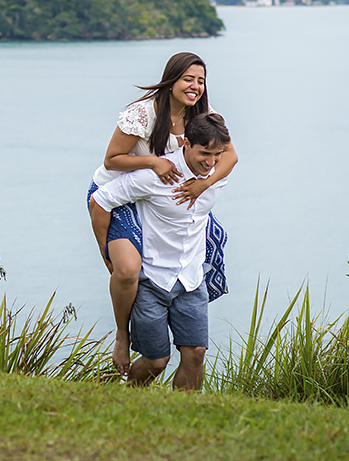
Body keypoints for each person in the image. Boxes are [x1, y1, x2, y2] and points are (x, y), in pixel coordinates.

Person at [87, 52, 237, 374]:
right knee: (127, 270)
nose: (195, 86)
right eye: (188, 79)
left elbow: (229, 157)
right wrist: (153, 162)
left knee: (204, 244)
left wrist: (203, 185)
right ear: (171, 80)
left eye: (201, 81)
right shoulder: (143, 114)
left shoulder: (203, 116)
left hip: (172, 188)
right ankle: (123, 337)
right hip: (120, 190)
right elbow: (113, 160)